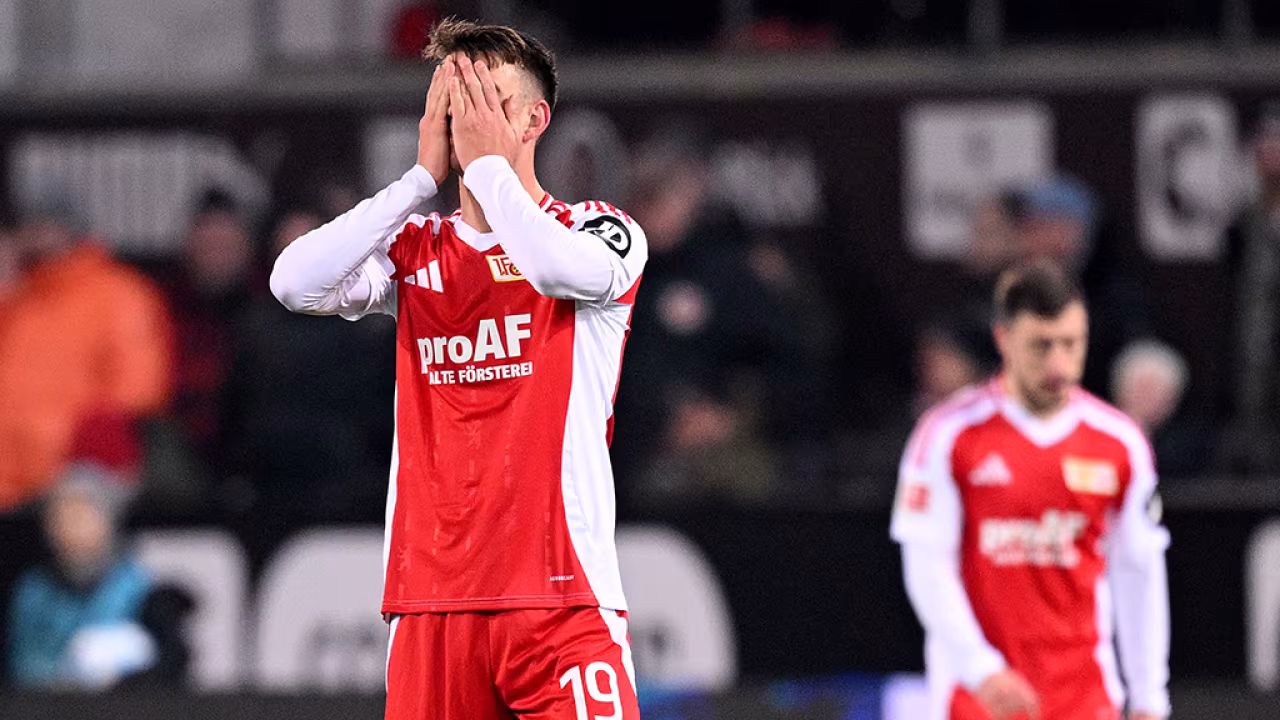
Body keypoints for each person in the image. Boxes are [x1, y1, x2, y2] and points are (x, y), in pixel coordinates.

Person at [269, 19, 645, 720]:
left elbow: (555, 270)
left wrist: (490, 171)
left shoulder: (598, 229)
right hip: (432, 606)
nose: (466, 121)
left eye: (487, 102)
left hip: (561, 600)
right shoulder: (417, 249)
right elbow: (294, 283)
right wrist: (417, 182)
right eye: (453, 103)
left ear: (534, 120)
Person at [890, 261, 1170, 720]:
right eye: (1041, 346)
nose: (1059, 364)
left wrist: (1149, 695)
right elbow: (926, 564)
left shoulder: (1120, 443)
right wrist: (979, 668)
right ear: (1004, 340)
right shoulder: (947, 435)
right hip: (979, 698)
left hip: (1084, 695)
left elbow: (1139, 570)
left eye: (1071, 344)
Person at [0, 196, 172, 511]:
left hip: (77, 482)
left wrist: (83, 453)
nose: (35, 234)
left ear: (70, 229)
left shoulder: (118, 293)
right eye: (28, 225)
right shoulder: (19, 297)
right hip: (11, 482)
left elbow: (137, 393)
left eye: (46, 224)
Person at [7, 413, 156, 689]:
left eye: (83, 513)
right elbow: (22, 665)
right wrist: (67, 674)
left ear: (107, 520)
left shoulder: (137, 587)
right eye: (61, 514)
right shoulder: (33, 590)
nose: (71, 525)